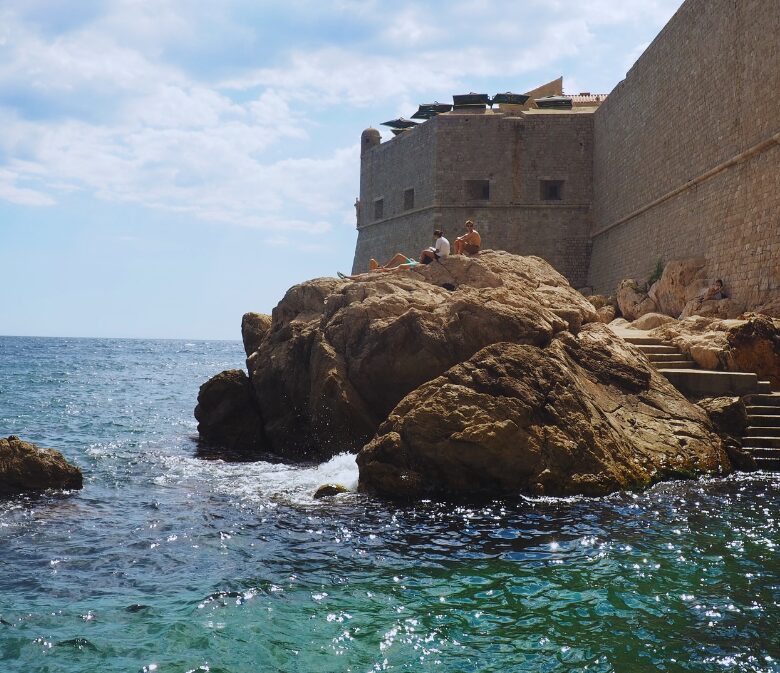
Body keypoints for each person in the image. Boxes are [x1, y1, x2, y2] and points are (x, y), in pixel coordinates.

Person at [337, 253, 419, 279]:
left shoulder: (414, 264)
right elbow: (398, 257)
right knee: (372, 262)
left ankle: (347, 277)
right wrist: (386, 267)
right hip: (388, 269)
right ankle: (347, 277)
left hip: (389, 272)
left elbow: (400, 267)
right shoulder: (412, 263)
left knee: (368, 274)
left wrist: (386, 269)